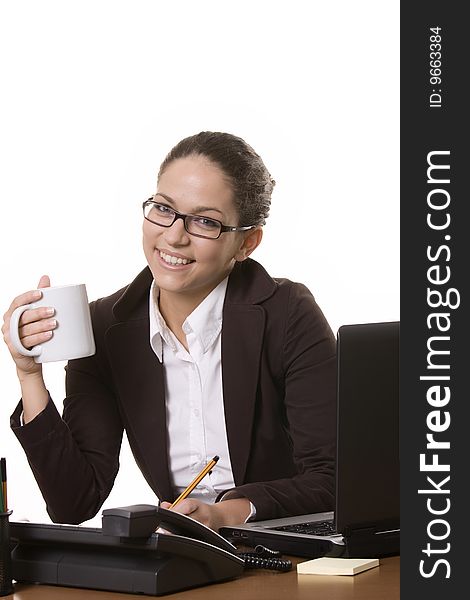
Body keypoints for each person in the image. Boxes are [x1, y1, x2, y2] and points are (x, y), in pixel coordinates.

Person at [2, 131, 336, 532]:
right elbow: (74, 501)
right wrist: (29, 375)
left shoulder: (287, 313)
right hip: (186, 558)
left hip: (290, 551)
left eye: (205, 221)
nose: (174, 235)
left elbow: (333, 478)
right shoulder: (106, 327)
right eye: (163, 209)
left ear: (246, 243)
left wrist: (225, 513)